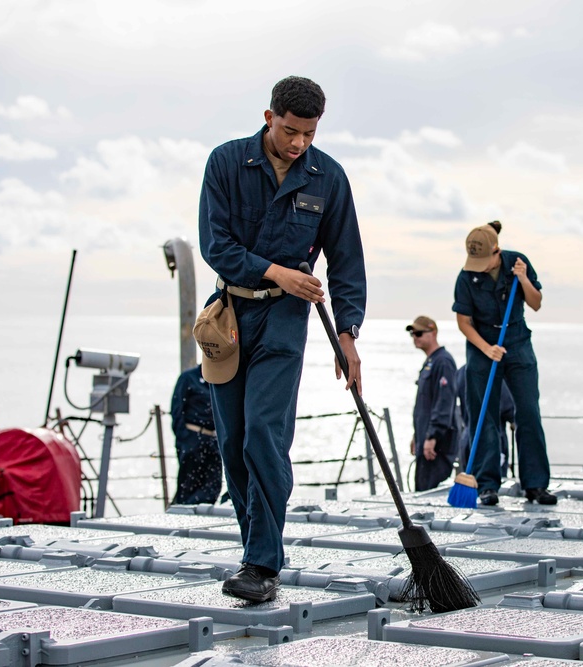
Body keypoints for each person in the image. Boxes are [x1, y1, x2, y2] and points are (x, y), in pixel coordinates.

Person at [197, 76, 366, 602]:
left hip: (287, 321)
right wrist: (278, 271)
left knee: (264, 436)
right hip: (227, 318)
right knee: (231, 442)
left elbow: (347, 262)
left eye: (309, 135)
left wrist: (347, 334)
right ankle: (256, 552)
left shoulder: (330, 178)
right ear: (269, 116)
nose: (298, 144)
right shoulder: (224, 163)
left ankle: (262, 564)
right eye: (291, 131)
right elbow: (215, 245)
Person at [452, 221, 556, 506]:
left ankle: (535, 485)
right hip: (481, 344)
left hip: (517, 340)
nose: (481, 266)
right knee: (482, 415)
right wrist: (487, 348)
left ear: (496, 251)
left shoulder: (517, 262)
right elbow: (463, 322)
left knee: (528, 412)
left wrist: (523, 280)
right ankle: (487, 484)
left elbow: (536, 303)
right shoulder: (465, 277)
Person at [406, 316, 458, 492]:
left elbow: (444, 403)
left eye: (419, 333)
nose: (415, 337)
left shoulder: (443, 362)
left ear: (433, 332)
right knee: (421, 491)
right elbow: (425, 405)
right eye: (413, 334)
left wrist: (432, 437)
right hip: (426, 440)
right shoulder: (431, 362)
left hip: (437, 447)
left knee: (429, 496)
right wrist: (418, 436)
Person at [169, 365, 222, 505]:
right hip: (193, 437)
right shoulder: (188, 377)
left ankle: (205, 516)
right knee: (189, 485)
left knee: (213, 486)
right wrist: (186, 439)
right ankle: (184, 516)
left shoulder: (220, 378)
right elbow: (177, 409)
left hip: (214, 440)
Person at [455, 365, 515, 480]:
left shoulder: (462, 372)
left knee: (470, 478)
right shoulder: (494, 371)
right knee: (494, 479)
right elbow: (507, 407)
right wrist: (514, 420)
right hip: (492, 435)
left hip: (468, 435)